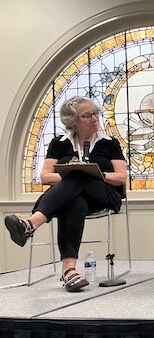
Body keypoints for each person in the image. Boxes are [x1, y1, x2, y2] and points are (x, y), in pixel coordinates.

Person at [4, 96, 127, 291]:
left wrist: (95, 173)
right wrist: (70, 174)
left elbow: (121, 177)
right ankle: (69, 270)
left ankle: (32, 223)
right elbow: (45, 177)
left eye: (96, 113)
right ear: (73, 121)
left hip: (104, 195)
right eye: (87, 115)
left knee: (79, 174)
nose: (95, 118)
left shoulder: (109, 143)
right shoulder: (59, 143)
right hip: (74, 197)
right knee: (75, 202)